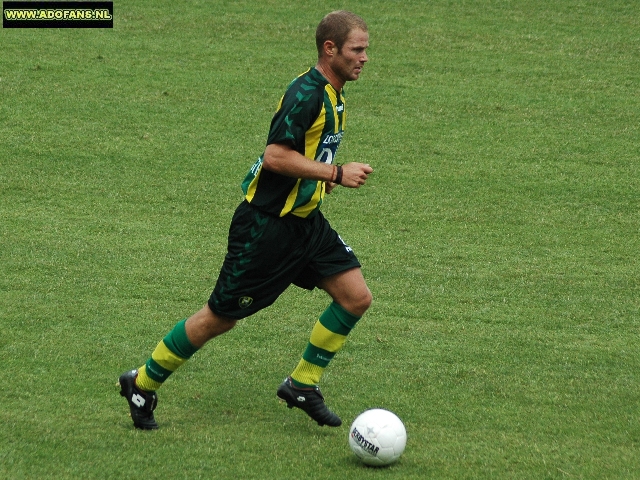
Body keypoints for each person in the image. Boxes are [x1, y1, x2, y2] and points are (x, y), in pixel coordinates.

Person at [119, 10, 373, 430]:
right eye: (357, 50)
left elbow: (305, 154)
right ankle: (142, 383)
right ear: (330, 49)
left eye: (366, 50)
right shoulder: (306, 94)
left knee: (355, 296)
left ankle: (302, 383)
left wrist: (319, 180)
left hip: (306, 223)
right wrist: (336, 174)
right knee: (220, 317)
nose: (364, 58)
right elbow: (275, 155)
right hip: (266, 228)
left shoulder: (334, 93)